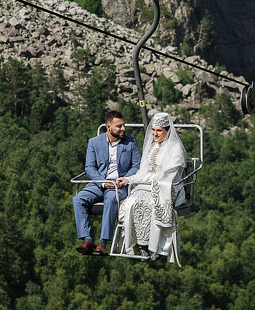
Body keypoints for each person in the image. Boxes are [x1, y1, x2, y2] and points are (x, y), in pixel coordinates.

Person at [117, 112, 187, 265]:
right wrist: (129, 179)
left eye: (159, 131)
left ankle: (155, 247)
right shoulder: (151, 147)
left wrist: (156, 183)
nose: (155, 134)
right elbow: (143, 172)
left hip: (167, 185)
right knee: (132, 203)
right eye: (153, 130)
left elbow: (171, 173)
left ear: (167, 131)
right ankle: (141, 245)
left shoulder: (175, 148)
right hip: (146, 183)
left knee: (153, 205)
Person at [73, 110, 141, 255]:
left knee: (110, 199)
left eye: (123, 125)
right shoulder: (94, 142)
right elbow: (89, 167)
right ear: (108, 127)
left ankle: (103, 242)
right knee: (78, 199)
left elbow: (136, 165)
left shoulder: (131, 142)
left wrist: (123, 180)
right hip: (100, 182)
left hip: (119, 184)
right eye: (119, 126)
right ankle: (88, 239)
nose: (123, 129)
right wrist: (103, 183)